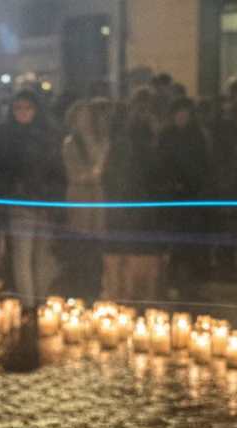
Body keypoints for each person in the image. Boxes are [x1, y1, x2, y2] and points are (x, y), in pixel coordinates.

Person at [0, 89, 65, 305]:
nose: (22, 113)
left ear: (37, 110)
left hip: (44, 204)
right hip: (20, 204)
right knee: (22, 257)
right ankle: (28, 306)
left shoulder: (48, 135)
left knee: (41, 258)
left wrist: (52, 196)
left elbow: (57, 172)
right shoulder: (6, 136)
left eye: (28, 108)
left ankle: (39, 304)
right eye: (18, 108)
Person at [103, 87, 160, 301]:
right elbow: (115, 173)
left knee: (145, 254)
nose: (143, 112)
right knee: (128, 253)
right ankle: (125, 297)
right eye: (139, 106)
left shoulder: (155, 138)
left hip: (147, 204)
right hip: (129, 203)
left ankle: (145, 297)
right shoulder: (124, 140)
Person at [155, 96, 212, 299]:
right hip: (172, 197)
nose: (182, 116)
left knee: (189, 242)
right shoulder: (167, 135)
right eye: (179, 112)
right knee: (174, 241)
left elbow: (203, 164)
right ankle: (171, 281)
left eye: (185, 112)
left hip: (192, 196)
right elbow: (161, 163)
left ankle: (189, 282)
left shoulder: (197, 135)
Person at [62, 98, 114, 300]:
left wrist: (94, 172)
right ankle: (79, 291)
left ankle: (94, 291)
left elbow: (102, 166)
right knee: (80, 247)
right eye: (79, 117)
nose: (84, 121)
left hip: (97, 200)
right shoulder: (70, 143)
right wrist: (92, 174)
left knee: (96, 249)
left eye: (86, 116)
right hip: (80, 200)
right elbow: (74, 174)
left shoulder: (101, 141)